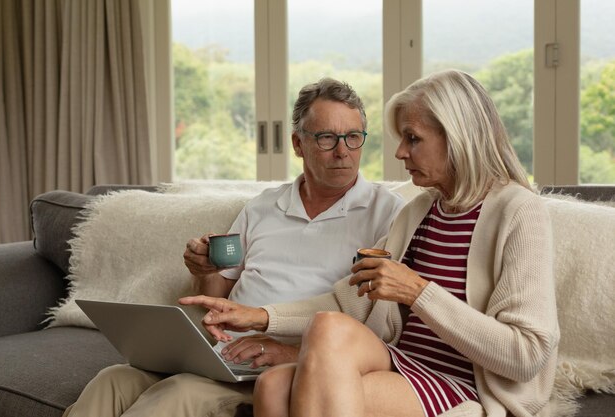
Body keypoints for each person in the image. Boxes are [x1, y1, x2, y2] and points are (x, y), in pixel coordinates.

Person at [184, 69, 560, 417]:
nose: (399, 153)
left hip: (465, 382)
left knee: (289, 380)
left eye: (412, 139)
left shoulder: (519, 211)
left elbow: (525, 356)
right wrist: (258, 316)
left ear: (456, 137)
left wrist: (418, 291)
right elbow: (347, 302)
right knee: (275, 380)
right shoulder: (420, 211)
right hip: (404, 362)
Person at [63, 78, 406, 417]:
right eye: (327, 137)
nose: (343, 150)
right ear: (298, 143)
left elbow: (380, 326)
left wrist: (289, 353)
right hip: (223, 354)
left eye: (353, 136)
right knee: (111, 380)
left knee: (179, 395)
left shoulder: (387, 213)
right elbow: (218, 294)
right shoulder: (263, 207)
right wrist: (204, 271)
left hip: (277, 368)